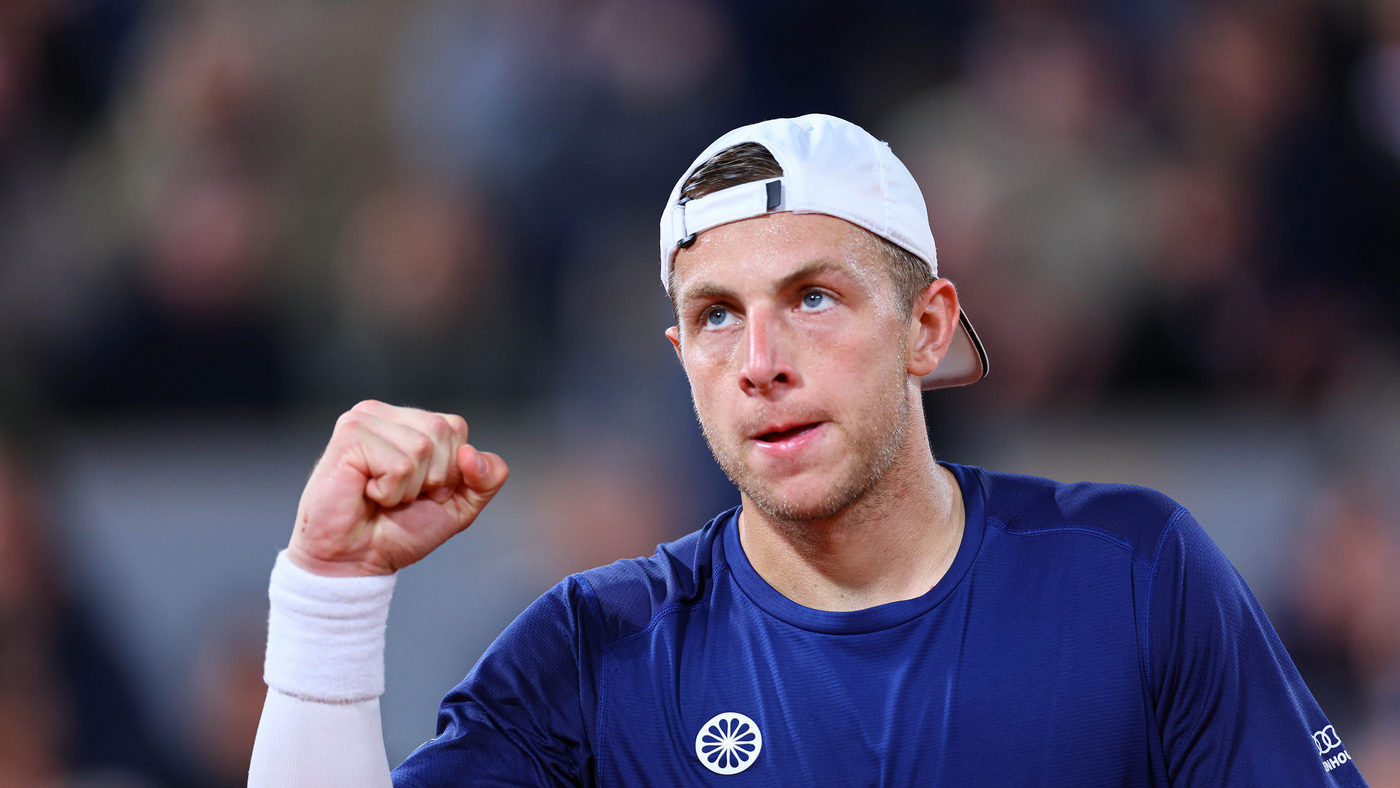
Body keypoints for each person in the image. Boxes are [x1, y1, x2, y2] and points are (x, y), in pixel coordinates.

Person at [248, 114, 1367, 785]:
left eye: (814, 298)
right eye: (716, 315)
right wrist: (329, 594)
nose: (760, 361)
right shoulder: (595, 653)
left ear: (926, 327)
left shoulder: (1130, 573)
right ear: (681, 355)